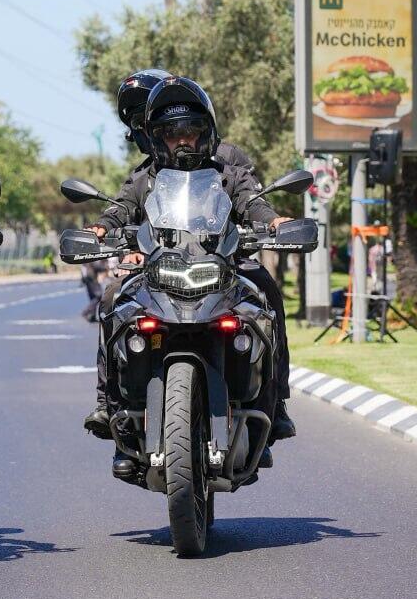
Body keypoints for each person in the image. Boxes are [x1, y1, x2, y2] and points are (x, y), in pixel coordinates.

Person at [83, 76, 297, 474]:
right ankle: (111, 410)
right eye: (171, 133)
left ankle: (275, 401)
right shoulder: (146, 174)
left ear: (207, 131)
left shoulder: (226, 167)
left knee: (266, 292)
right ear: (156, 137)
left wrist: (272, 221)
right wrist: (101, 229)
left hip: (224, 267)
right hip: (160, 271)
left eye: (190, 131)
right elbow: (122, 208)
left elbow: (251, 200)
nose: (182, 140)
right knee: (113, 298)